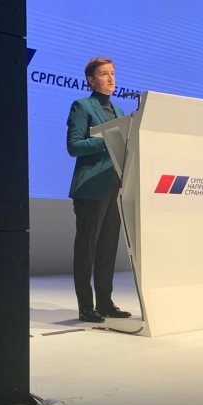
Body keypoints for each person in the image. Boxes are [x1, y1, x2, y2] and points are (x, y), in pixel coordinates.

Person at [66, 57, 131, 323]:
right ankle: (86, 306)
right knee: (87, 248)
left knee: (107, 248)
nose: (111, 78)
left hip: (114, 186)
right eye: (104, 74)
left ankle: (105, 302)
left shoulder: (119, 110)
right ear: (91, 80)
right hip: (91, 187)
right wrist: (106, 140)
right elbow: (74, 146)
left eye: (113, 73)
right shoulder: (82, 106)